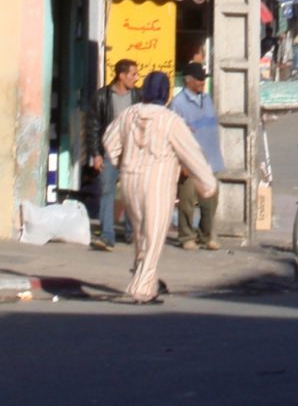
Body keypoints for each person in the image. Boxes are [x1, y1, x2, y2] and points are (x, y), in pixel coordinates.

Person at [104, 71, 217, 304]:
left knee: (140, 235)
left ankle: (148, 279)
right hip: (158, 182)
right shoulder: (170, 120)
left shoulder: (129, 114)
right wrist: (207, 183)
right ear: (165, 95)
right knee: (154, 236)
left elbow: (109, 140)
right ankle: (142, 287)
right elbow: (191, 153)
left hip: (130, 180)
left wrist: (119, 159)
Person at [87, 59, 145, 250]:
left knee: (132, 193)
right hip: (109, 153)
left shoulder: (138, 96)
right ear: (121, 75)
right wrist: (95, 153)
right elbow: (93, 126)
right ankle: (107, 235)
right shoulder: (102, 96)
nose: (136, 78)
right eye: (133, 74)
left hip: (132, 152)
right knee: (106, 191)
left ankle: (130, 231)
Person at [169, 62, 225, 251]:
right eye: (199, 79)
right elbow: (173, 135)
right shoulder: (178, 104)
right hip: (190, 162)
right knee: (186, 202)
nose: (202, 82)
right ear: (188, 81)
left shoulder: (207, 99)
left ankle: (206, 235)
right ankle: (186, 236)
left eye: (203, 79)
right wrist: (180, 163)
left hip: (210, 160)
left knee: (210, 202)